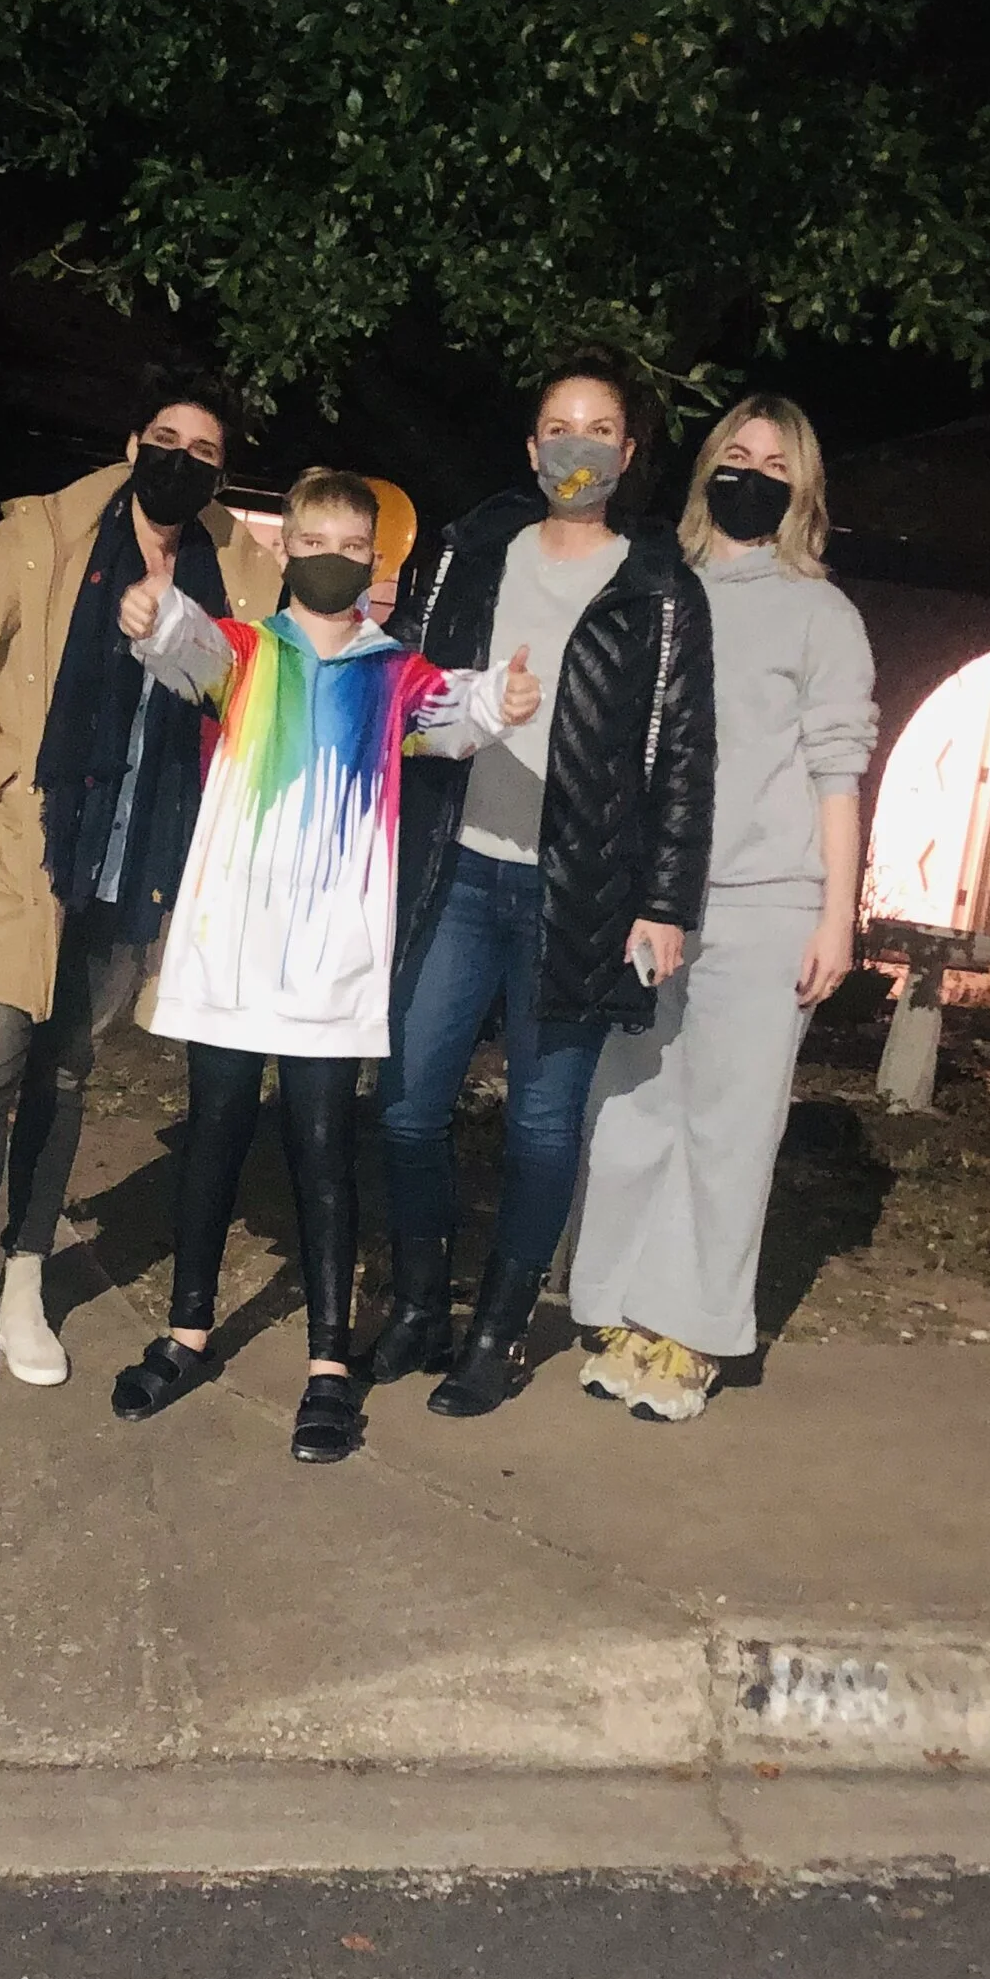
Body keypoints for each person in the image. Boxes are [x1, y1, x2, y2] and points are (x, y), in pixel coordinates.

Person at [105, 470, 539, 1456]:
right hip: (230, 959)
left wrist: (502, 699)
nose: (336, 558)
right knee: (214, 1135)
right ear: (288, 549)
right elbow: (186, 646)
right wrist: (151, 612)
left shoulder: (396, 678)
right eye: (317, 541)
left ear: (376, 563)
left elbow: (458, 717)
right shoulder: (246, 655)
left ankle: (329, 1365)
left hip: (328, 971)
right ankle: (185, 1330)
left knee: (322, 1151)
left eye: (356, 545)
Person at [0, 369, 281, 1402]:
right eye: (165, 438)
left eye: (204, 453)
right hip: (24, 850)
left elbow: (254, 698)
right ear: (131, 443)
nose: (180, 461)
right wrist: (2, 768)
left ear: (219, 475)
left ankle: (25, 1277)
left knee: (63, 1077)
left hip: (138, 865)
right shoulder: (43, 536)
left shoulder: (241, 574)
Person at [369, 349, 717, 1416]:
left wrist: (664, 903)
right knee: (406, 1108)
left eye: (597, 429)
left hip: (579, 894)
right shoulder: (471, 556)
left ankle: (497, 1333)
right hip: (457, 871)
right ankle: (424, 1302)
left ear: (625, 453)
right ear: (531, 449)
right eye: (556, 427)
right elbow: (410, 704)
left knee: (540, 1128)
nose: (576, 446)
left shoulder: (660, 589)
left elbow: (684, 757)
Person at [569, 395, 878, 1420]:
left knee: (728, 1125)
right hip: (651, 902)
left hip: (765, 901)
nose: (752, 472)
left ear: (801, 489)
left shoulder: (819, 613)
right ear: (706, 469)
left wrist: (836, 915)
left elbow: (838, 770)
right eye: (736, 454)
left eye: (775, 462)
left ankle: (689, 1330)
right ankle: (612, 1302)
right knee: (630, 1108)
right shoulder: (659, 586)